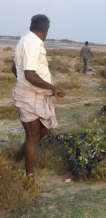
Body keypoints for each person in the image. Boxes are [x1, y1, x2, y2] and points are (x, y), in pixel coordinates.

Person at [11, 14, 66, 176]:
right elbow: (29, 74)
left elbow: (15, 69)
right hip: (28, 95)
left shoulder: (24, 40)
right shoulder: (32, 43)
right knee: (32, 136)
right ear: (45, 30)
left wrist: (26, 83)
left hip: (34, 93)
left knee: (41, 131)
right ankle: (29, 177)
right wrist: (53, 88)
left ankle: (15, 160)